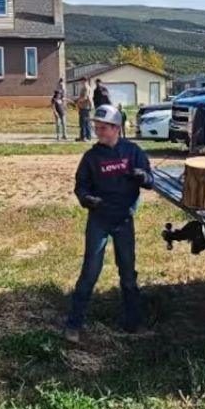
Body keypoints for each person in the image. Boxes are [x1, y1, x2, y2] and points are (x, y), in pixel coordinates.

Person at [65, 104, 153, 343]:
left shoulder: (132, 151)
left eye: (103, 128)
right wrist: (87, 199)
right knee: (90, 272)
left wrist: (142, 177)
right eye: (97, 127)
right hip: (99, 220)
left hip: (124, 220)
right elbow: (80, 186)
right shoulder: (91, 157)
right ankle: (74, 324)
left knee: (127, 273)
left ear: (117, 128)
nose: (98, 132)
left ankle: (133, 323)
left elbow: (150, 179)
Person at [76, 77, 94, 142]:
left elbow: (85, 97)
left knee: (83, 123)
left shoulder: (85, 88)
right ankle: (88, 136)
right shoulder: (90, 88)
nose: (81, 82)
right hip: (87, 107)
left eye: (81, 81)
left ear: (84, 81)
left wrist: (78, 101)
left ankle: (83, 137)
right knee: (87, 122)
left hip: (84, 107)